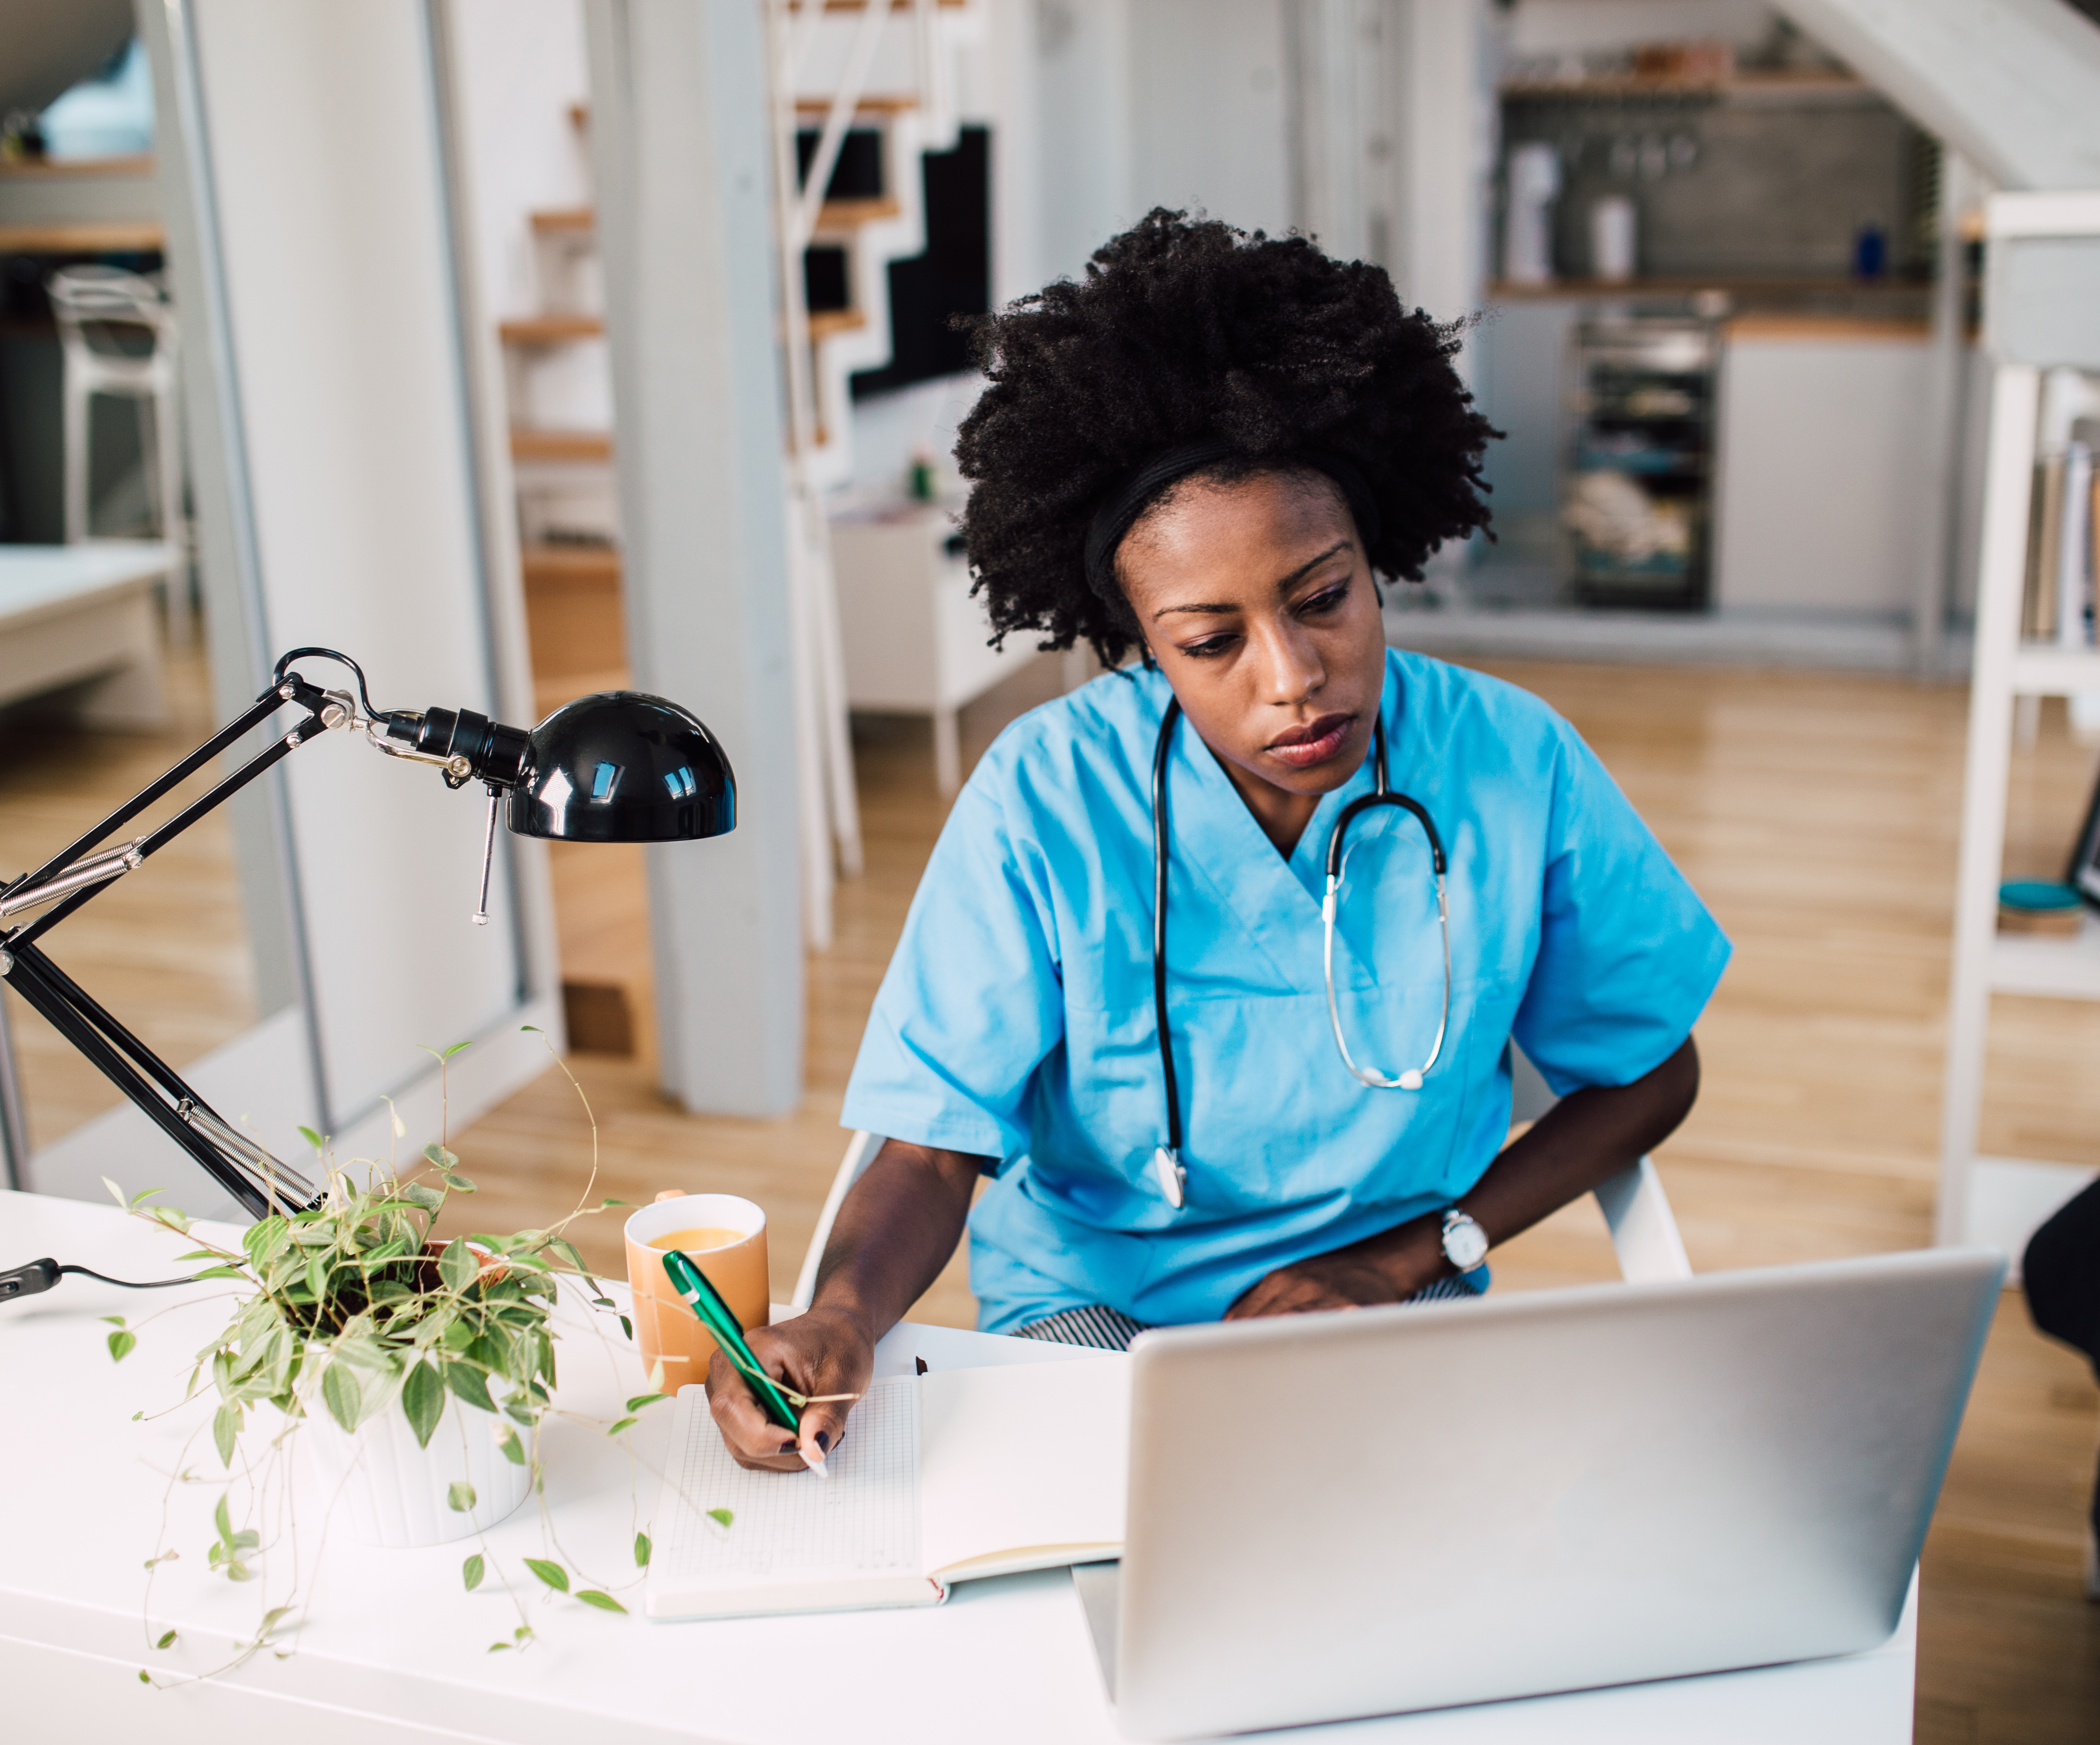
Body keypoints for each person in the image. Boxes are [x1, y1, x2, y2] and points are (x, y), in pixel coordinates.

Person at [713, 211, 1727, 1471]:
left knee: (1388, 1559)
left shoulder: (1516, 767)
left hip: (1379, 1291)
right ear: (1139, 644)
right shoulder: (1046, 799)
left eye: (1324, 599)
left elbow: (1651, 1068)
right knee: (1118, 1538)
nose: (1295, 676)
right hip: (1096, 1306)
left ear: (1377, 561)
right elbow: (931, 1140)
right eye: (1212, 642)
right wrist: (843, 1314)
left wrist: (1419, 1253)